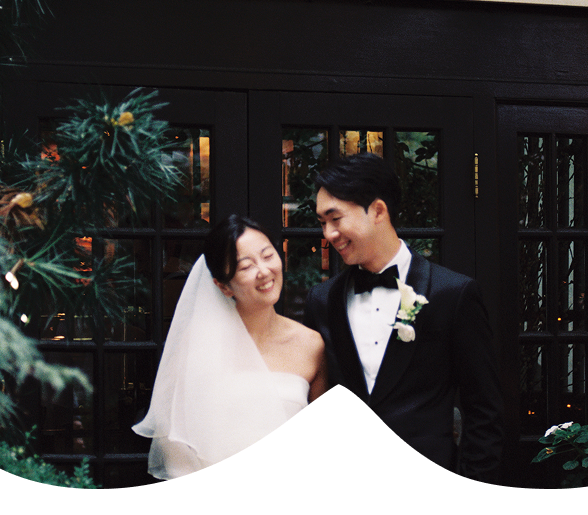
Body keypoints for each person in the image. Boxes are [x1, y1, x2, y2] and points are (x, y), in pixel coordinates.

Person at [303, 153, 504, 484]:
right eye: (321, 222)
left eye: (335, 218)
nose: (327, 233)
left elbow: (485, 412)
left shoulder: (453, 295)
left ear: (378, 211)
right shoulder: (321, 301)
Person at [133, 215, 328, 483]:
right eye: (246, 266)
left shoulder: (311, 344)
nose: (264, 271)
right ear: (223, 286)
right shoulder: (196, 348)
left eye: (268, 255)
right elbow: (172, 445)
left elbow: (323, 439)